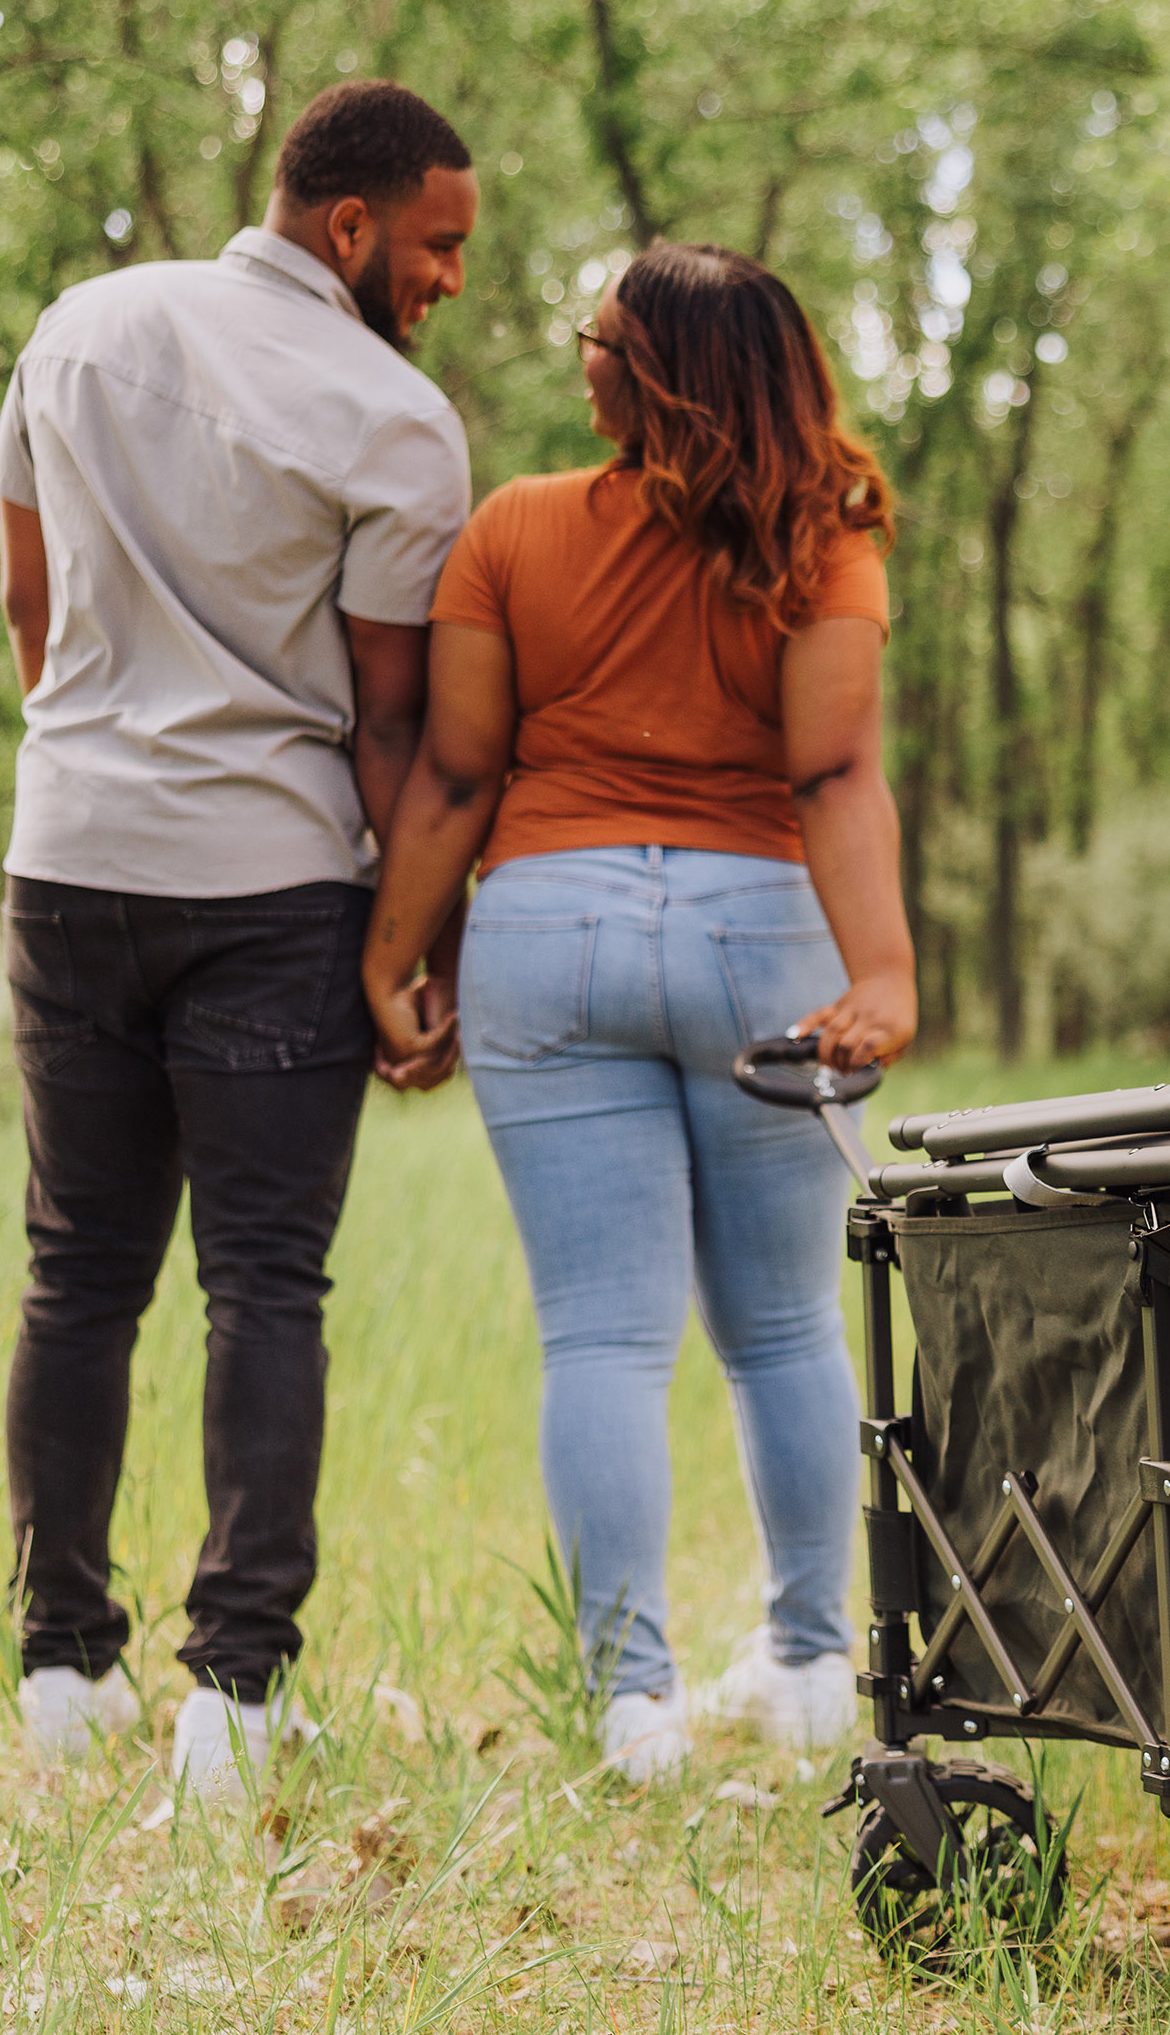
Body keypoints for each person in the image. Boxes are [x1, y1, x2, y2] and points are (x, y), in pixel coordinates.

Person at [359, 243, 913, 1784]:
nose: (580, 359)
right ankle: (809, 1666)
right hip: (759, 933)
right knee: (787, 1322)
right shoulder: (829, 536)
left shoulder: (514, 531)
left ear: (661, 369)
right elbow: (833, 774)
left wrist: (399, 952)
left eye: (597, 335)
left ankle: (632, 1703)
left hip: (551, 926)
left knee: (601, 1334)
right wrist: (882, 971)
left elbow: (459, 774)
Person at [0, 80, 479, 1801]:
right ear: (348, 226)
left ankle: (63, 1670)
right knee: (265, 1282)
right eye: (437, 245)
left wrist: (105, 748)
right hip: (274, 888)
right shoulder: (395, 419)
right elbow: (389, 725)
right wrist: (421, 950)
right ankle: (238, 1700)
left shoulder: (77, 327)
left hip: (69, 857)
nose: (448, 281)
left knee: (78, 1273)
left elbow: (29, 611)